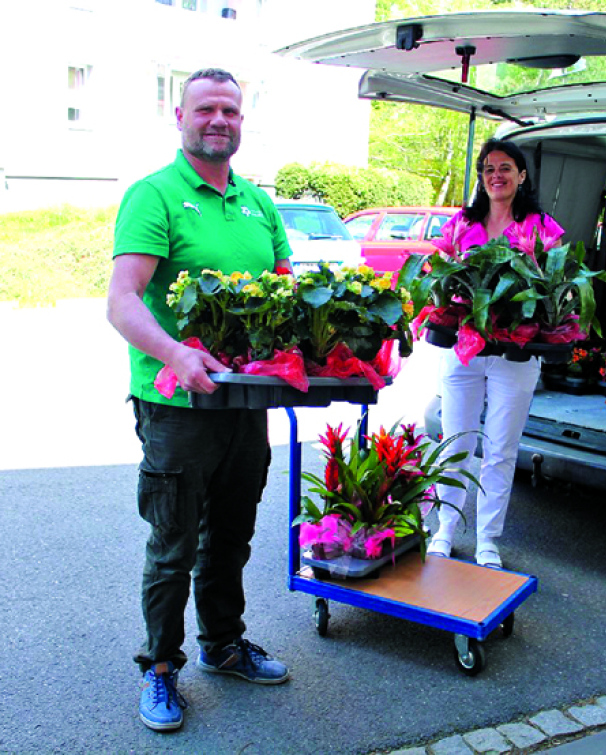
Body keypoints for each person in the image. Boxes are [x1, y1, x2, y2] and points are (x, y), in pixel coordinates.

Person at [107, 68, 293, 733]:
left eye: (232, 111)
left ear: (243, 122)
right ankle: (160, 668)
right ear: (180, 116)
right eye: (207, 108)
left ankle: (223, 645)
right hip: (177, 408)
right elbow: (123, 300)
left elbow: (285, 294)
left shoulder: (258, 203)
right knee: (173, 541)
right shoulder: (153, 195)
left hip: (245, 404)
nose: (220, 119)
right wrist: (177, 354)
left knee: (232, 536)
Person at [426, 138, 564, 569]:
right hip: (463, 351)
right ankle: (445, 529)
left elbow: (557, 281)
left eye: (505, 167)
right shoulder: (460, 223)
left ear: (521, 176)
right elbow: (437, 275)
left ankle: (488, 538)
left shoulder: (542, 225)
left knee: (502, 449)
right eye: (488, 168)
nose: (496, 175)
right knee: (455, 443)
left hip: (515, 353)